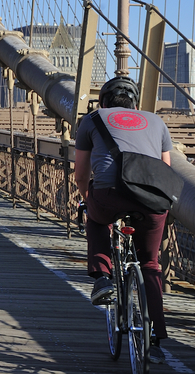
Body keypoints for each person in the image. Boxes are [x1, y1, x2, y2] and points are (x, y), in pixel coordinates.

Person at [74, 76, 172, 365]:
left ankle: (102, 276)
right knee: (150, 264)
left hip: (109, 195)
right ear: (136, 104)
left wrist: (85, 198)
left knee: (96, 218)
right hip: (153, 199)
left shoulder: (92, 120)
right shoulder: (157, 121)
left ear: (103, 102)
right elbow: (165, 170)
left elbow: (81, 174)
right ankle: (155, 340)